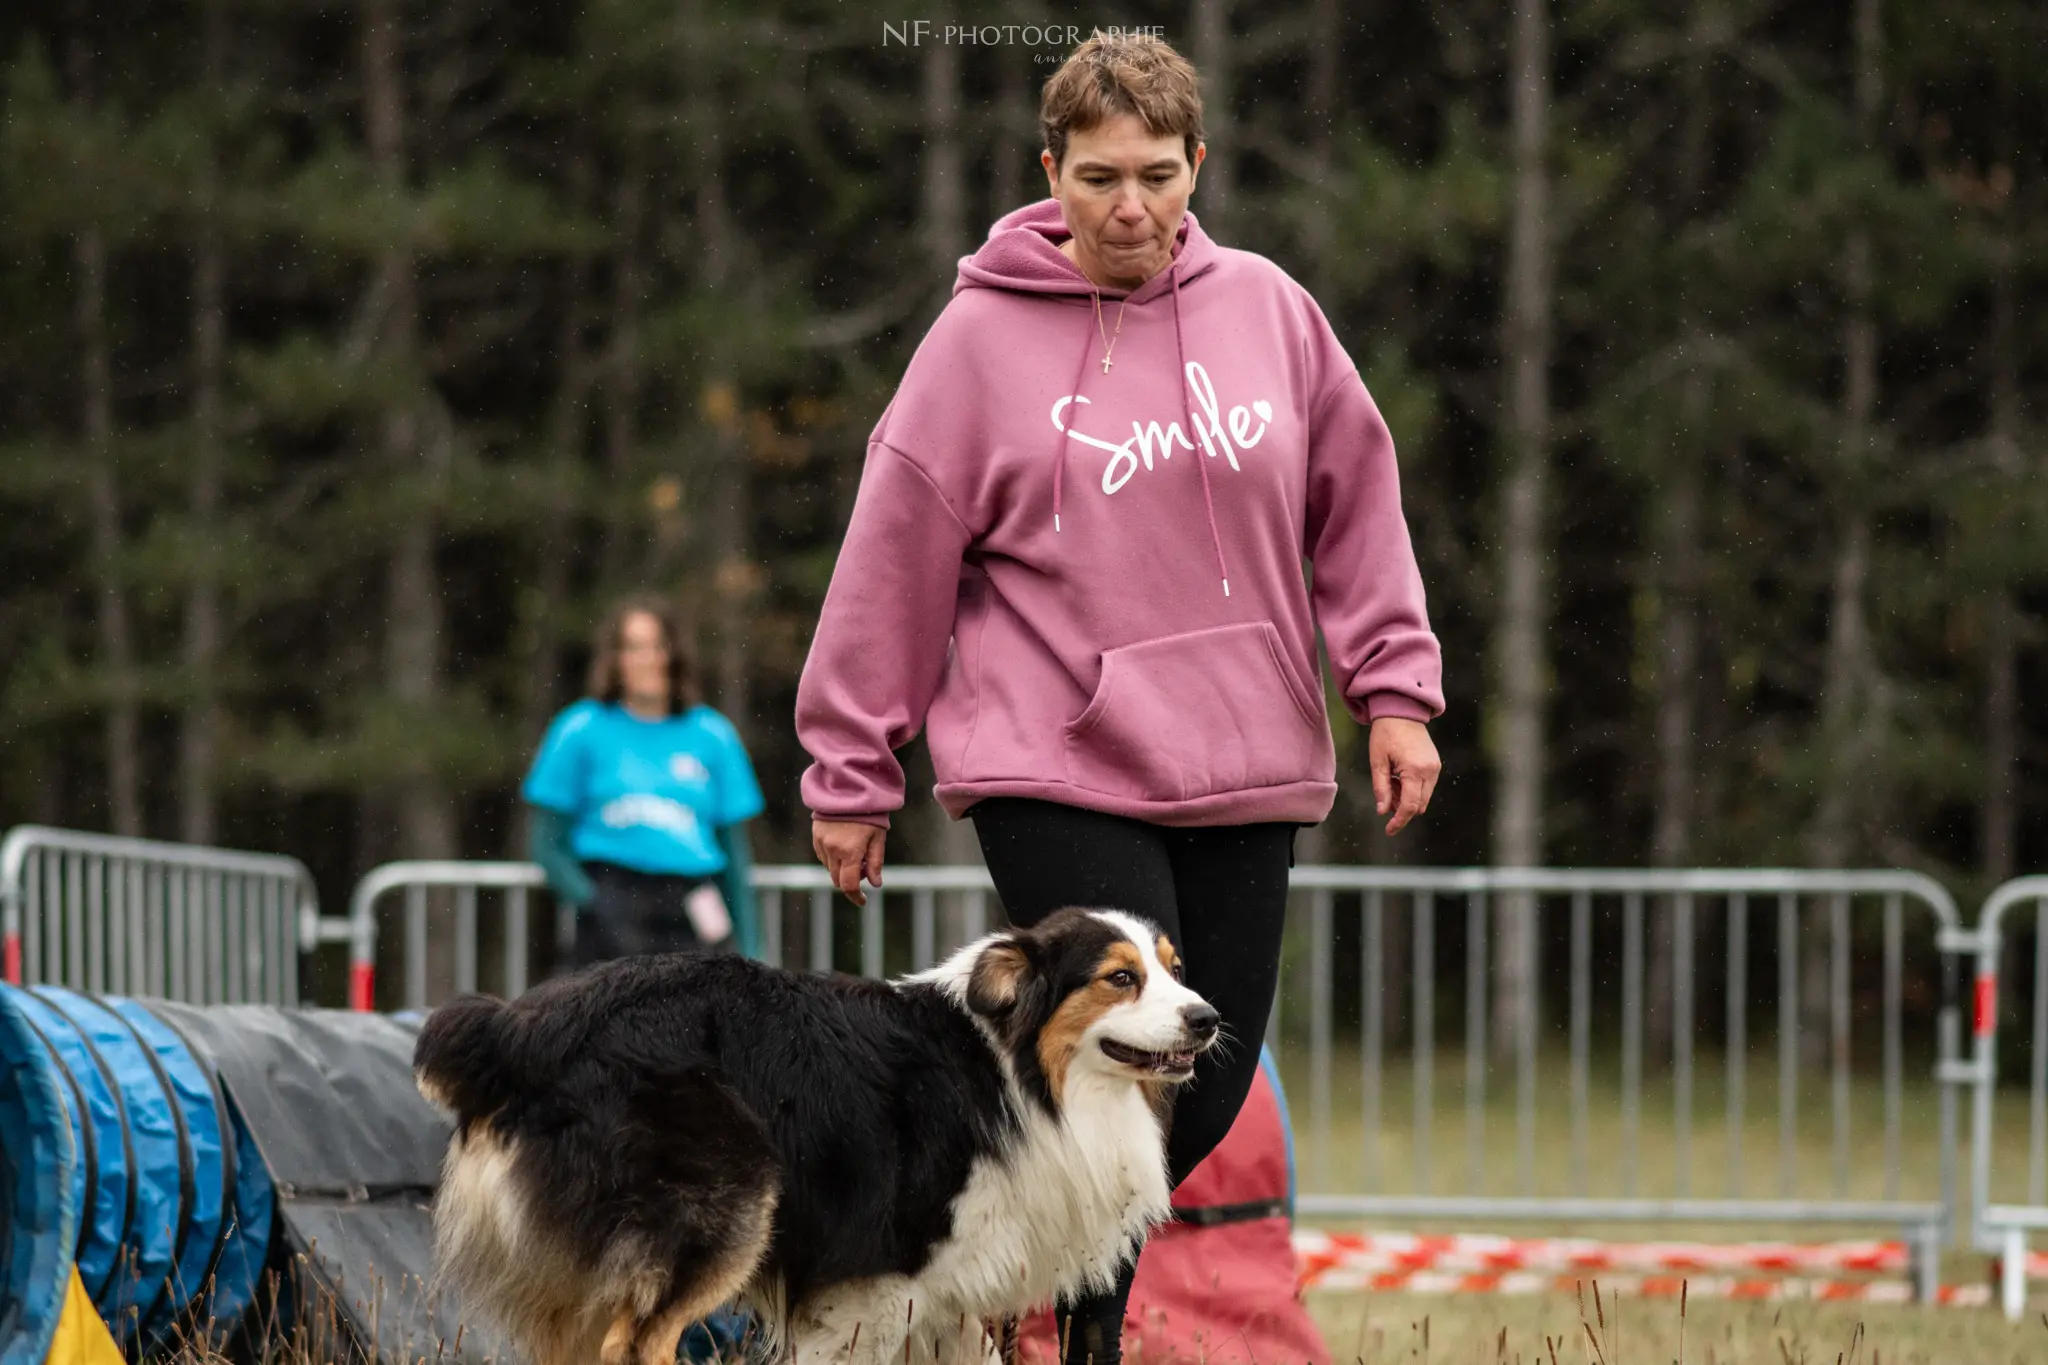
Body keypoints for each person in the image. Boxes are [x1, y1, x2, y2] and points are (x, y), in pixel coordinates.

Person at [796, 32, 1444, 1365]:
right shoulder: (978, 340)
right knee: (1095, 1056)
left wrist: (1393, 687)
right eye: (1098, 177)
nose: (1131, 207)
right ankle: (1069, 1341)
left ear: (1198, 164)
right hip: (1059, 756)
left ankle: (1015, 1310)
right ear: (1052, 172)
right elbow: (892, 556)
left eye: (1157, 173)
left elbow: (1357, 504)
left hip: (1250, 754)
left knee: (1189, 1098)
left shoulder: (1270, 309)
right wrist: (852, 766)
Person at [524, 595, 765, 967]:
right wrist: (593, 902)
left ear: (675, 654)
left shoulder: (713, 735)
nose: (646, 659)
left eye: (657, 646)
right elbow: (547, 844)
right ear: (616, 658)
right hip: (612, 900)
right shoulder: (580, 729)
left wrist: (752, 948)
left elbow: (734, 858)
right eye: (633, 647)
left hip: (691, 904)